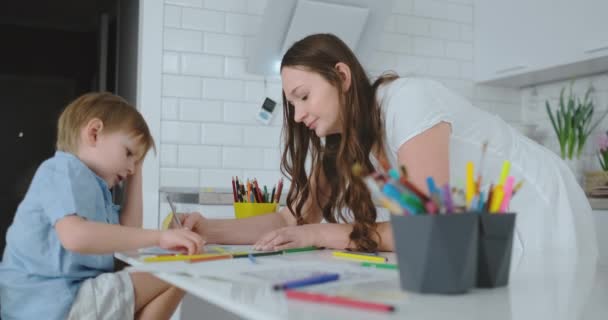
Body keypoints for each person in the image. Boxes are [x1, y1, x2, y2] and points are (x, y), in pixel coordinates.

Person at [180, 33, 597, 257]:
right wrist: (207, 229)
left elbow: (430, 230)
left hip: (537, 206)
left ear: (342, 76)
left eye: (304, 97)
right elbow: (290, 220)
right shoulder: (338, 144)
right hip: (483, 232)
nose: (298, 115)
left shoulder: (406, 102)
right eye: (291, 104)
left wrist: (324, 234)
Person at [0, 93, 204, 320]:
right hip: (48, 300)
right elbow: (75, 236)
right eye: (128, 153)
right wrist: (160, 237)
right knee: (183, 270)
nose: (131, 168)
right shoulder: (61, 170)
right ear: (94, 133)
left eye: (136, 162)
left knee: (182, 271)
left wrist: (138, 168)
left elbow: (130, 239)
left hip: (66, 298)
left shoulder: (97, 192)